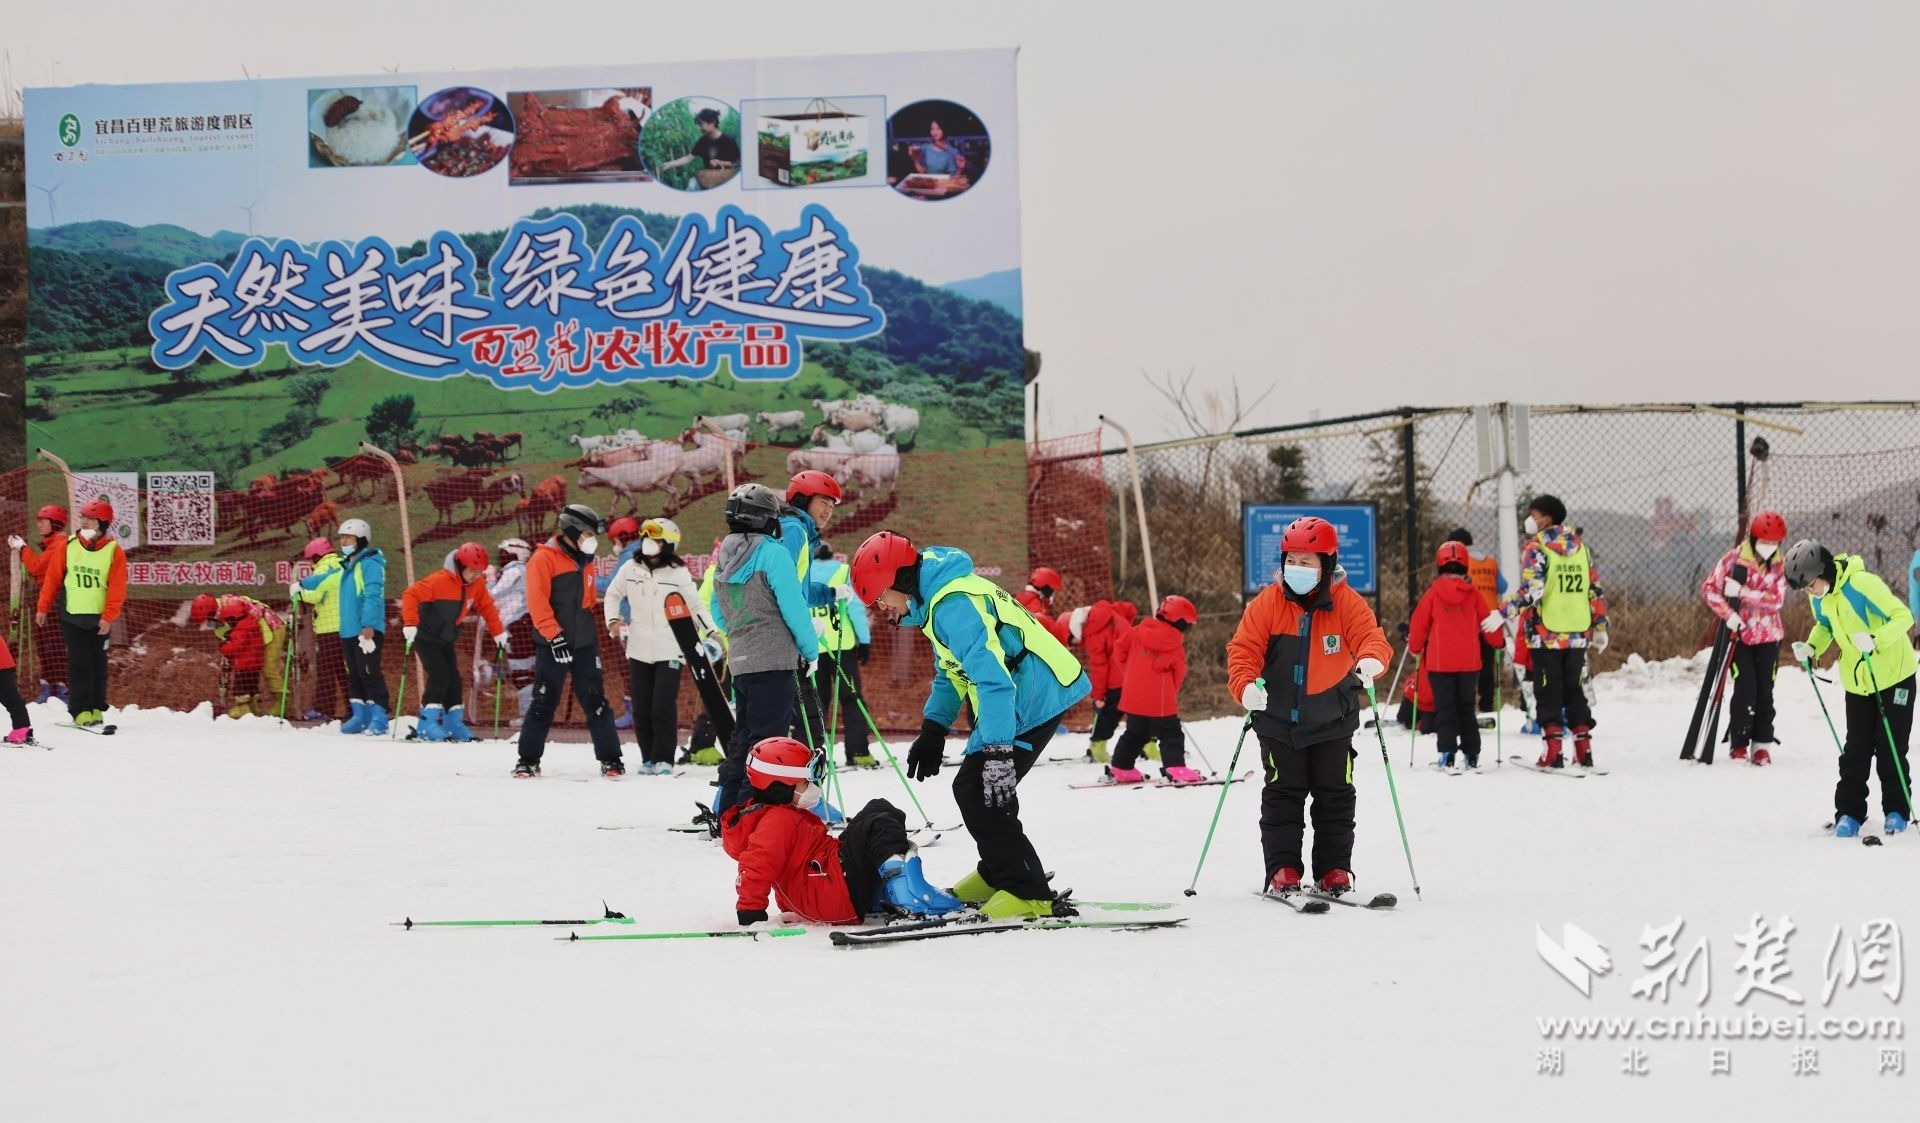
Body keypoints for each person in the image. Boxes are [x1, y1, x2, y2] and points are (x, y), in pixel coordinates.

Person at [851, 530, 1090, 920]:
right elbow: (951, 672)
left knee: (978, 788)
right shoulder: (935, 601)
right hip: (1018, 696)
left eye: (880, 596)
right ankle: (1000, 872)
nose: (881, 607)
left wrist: (997, 751)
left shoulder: (953, 604)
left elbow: (993, 679)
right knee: (984, 791)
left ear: (900, 581)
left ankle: (1028, 892)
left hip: (1033, 697)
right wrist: (933, 730)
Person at [1226, 516, 1392, 898]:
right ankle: (1283, 869)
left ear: (1327, 564)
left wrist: (1371, 660)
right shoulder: (1267, 603)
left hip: (1334, 718)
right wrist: (1245, 686)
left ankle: (1334, 869)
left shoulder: (1346, 603)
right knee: (1283, 795)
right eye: (1292, 561)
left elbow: (1371, 637)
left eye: (1307, 562)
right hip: (1278, 720)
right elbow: (1243, 651)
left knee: (1335, 795)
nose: (1297, 570)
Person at [722, 736, 963, 925]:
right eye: (807, 781)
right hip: (829, 893)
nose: (814, 787)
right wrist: (750, 910)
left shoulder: (782, 814)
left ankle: (890, 891)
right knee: (879, 824)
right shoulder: (777, 821)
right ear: (779, 787)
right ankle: (912, 898)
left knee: (878, 808)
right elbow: (757, 864)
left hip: (829, 880)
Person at [1786, 540, 1915, 836]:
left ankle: (1896, 810)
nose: (1809, 592)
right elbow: (1825, 627)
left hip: (1895, 676)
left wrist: (1876, 638)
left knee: (1889, 747)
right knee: (1855, 750)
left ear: (1823, 572)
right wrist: (1811, 647)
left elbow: (1903, 616)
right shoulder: (1820, 597)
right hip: (1859, 682)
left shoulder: (1862, 584)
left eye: (1810, 584)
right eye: (1804, 588)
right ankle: (1849, 812)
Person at [710, 484, 819, 814]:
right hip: (773, 660)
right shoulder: (773, 553)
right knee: (766, 745)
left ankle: (727, 810)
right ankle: (749, 815)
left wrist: (742, 633)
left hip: (741, 661)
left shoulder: (724, 554)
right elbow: (793, 607)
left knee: (743, 738)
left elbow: (718, 611)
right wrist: (810, 650)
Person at [517, 504, 626, 777]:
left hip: (585, 644)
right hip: (552, 644)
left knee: (596, 701)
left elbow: (587, 602)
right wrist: (555, 637)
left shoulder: (585, 561)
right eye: (587, 533)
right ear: (572, 530)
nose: (591, 539)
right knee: (543, 701)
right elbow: (537, 603)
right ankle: (527, 760)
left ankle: (611, 759)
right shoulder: (543, 559)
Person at [1504, 495, 1609, 769]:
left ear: (1546, 518)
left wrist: (1503, 612)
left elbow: (1532, 592)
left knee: (1548, 692)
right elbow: (1593, 588)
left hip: (1546, 633)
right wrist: (1599, 624)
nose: (1530, 520)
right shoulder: (1581, 548)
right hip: (1577, 632)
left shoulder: (1537, 548)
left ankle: (1552, 752)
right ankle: (1583, 749)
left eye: (1533, 514)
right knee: (1575, 690)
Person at [603, 517, 714, 775]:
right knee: (641, 709)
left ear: (668, 544)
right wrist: (614, 621)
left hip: (670, 649)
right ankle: (648, 758)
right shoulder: (630, 568)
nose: (648, 543)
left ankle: (664, 758)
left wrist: (711, 632)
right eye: (646, 538)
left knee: (662, 706)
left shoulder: (678, 573)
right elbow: (612, 594)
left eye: (656, 539)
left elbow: (696, 606)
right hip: (638, 649)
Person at [1409, 542, 1505, 770]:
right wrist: (1498, 643)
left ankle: (1447, 753)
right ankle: (1472, 753)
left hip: (1440, 664)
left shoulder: (1432, 594)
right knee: (1466, 708)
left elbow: (1419, 624)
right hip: (1469, 664)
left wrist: (1416, 647)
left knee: (1445, 709)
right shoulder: (1474, 594)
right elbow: (1488, 623)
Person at [1702, 512, 1789, 765]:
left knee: (1765, 690)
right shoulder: (1734, 560)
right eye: (1765, 541)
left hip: (1770, 636)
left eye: (1775, 543)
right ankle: (1739, 742)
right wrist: (1728, 614)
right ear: (1753, 538)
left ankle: (1762, 744)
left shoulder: (1780, 565)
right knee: (1745, 688)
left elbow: (1776, 600)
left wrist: (1742, 592)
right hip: (1739, 636)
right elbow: (1709, 589)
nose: (1770, 548)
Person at [401, 542, 509, 743]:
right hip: (425, 636)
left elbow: (487, 606)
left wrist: (498, 632)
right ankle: (427, 723)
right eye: (472, 571)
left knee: (454, 679)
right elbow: (411, 594)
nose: (476, 575)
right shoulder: (439, 581)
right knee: (439, 674)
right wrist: (410, 623)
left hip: (446, 637)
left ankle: (453, 723)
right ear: (460, 566)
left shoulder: (476, 584)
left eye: (479, 571)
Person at [35, 499, 127, 731]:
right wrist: (42, 607)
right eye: (83, 517)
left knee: (99, 666)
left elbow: (117, 588)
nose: (84, 520)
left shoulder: (113, 551)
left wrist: (108, 617)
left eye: (90, 518)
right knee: (80, 665)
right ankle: (79, 710)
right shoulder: (69, 545)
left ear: (102, 523)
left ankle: (96, 707)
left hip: (99, 619)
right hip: (72, 617)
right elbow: (53, 579)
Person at [1105, 595, 1203, 784]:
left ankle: (1121, 768)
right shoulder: (1174, 642)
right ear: (1180, 621)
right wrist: (1169, 691)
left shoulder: (1136, 631)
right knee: (1171, 733)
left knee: (1135, 733)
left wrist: (1131, 672)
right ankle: (1176, 768)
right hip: (1160, 700)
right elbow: (1178, 672)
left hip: (1132, 696)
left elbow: (1118, 649)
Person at [320, 517, 391, 735]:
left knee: (369, 671)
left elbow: (373, 595)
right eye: (341, 537)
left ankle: (379, 716)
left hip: (366, 630)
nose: (343, 541)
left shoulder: (370, 564)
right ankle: (360, 715)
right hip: (348, 630)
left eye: (348, 537)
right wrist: (302, 585)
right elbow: (326, 579)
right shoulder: (347, 565)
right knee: (354, 673)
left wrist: (368, 624)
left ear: (361, 539)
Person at [807, 540, 875, 768]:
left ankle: (813, 757)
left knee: (816, 703)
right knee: (852, 699)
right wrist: (864, 641)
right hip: (841, 647)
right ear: (832, 555)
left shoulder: (803, 573)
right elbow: (855, 608)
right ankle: (858, 752)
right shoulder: (843, 571)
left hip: (813, 648)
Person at [8, 504, 71, 704]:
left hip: (54, 602)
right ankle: (48, 686)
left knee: (54, 645)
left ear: (55, 524)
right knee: (44, 645)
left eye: (43, 521)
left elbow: (35, 567)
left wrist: (23, 548)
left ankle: (60, 687)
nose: (39, 525)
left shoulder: (59, 543)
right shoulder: (52, 543)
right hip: (45, 600)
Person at [191, 594, 288, 718]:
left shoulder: (234, 611)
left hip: (272, 628)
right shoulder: (223, 614)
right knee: (250, 669)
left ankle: (281, 701)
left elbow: (240, 638)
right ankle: (252, 705)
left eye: (208, 621)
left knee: (268, 668)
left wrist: (227, 648)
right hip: (257, 637)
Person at [1444, 528, 1509, 713]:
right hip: (1492, 621)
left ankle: (1466, 705)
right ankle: (1487, 705)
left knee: (1467, 665)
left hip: (1469, 621)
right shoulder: (1490, 562)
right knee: (1487, 666)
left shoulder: (1462, 563)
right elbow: (1503, 586)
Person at [596, 516, 645, 732]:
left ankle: (633, 712)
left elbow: (611, 586)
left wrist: (586, 577)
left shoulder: (629, 557)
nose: (614, 545)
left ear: (623, 537)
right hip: (643, 622)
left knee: (629, 670)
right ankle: (639, 711)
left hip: (631, 623)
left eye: (614, 540)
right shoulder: (644, 552)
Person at [291, 537, 344, 722]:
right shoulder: (341, 564)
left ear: (316, 556)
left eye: (310, 559)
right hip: (347, 626)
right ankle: (355, 707)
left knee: (326, 670)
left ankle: (324, 708)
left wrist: (299, 592)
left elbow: (316, 594)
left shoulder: (323, 568)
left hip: (330, 627)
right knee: (343, 670)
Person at [489, 538, 538, 727]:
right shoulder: (525, 571)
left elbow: (492, 596)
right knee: (528, 672)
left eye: (504, 554)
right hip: (524, 626)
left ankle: (529, 717)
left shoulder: (514, 571)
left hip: (518, 627)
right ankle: (533, 715)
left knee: (522, 673)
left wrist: (490, 579)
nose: (501, 558)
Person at [1082, 599, 1137, 763]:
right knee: (1143, 713)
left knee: (1108, 714)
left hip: (1116, 679)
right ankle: (1150, 747)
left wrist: (1098, 696)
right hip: (1135, 671)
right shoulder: (1112, 612)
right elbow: (1130, 608)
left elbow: (1099, 667)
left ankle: (1097, 748)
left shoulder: (1093, 632)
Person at [658, 107, 739, 179]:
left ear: (712, 122)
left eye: (701, 124)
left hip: (727, 178)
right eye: (698, 125)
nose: (699, 128)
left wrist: (720, 163)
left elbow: (737, 163)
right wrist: (671, 163)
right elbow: (688, 158)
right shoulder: (702, 142)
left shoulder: (728, 140)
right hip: (709, 179)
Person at [0, 633, 35, 745]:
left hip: (2, 664)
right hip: (4, 664)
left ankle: (21, 729)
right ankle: (21, 728)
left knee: (10, 698)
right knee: (11, 698)